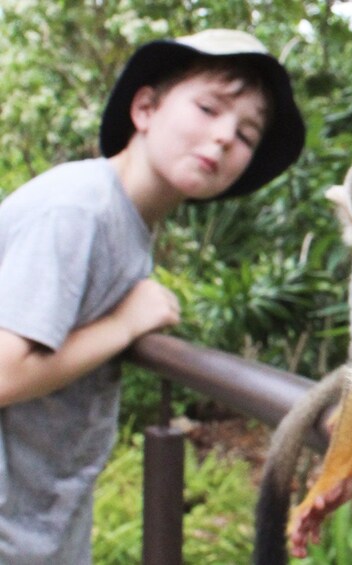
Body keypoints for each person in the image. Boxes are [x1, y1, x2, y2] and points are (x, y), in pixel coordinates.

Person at [0, 29, 305, 563]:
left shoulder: (123, 219)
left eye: (247, 134)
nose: (224, 138)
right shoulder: (77, 208)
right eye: (208, 108)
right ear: (145, 107)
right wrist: (123, 323)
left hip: (40, 516)